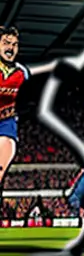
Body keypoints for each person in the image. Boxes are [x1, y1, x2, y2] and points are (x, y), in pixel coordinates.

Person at [0, 28, 29, 201]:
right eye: (6, 43)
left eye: (15, 45)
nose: (10, 48)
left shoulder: (22, 74)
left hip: (6, 124)